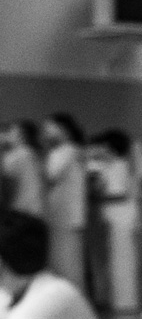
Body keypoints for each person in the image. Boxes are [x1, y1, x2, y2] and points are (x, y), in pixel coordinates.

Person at [95, 129, 140, 312]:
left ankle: (125, 301)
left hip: (121, 216)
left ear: (110, 148)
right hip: (115, 216)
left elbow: (120, 193)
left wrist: (99, 196)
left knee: (123, 259)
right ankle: (118, 299)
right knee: (115, 260)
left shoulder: (120, 166)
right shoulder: (109, 166)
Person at [42, 113, 88, 289]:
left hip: (65, 214)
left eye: (49, 129)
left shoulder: (65, 151)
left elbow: (49, 175)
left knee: (66, 261)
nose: (45, 134)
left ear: (63, 130)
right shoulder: (73, 151)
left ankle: (69, 296)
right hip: (66, 214)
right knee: (68, 260)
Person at [1, 121, 45, 216]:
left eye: (10, 131)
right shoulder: (32, 153)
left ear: (21, 136)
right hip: (36, 209)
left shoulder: (16, 156)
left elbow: (5, 184)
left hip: (20, 210)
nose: (5, 134)